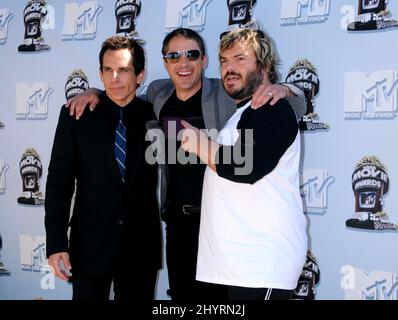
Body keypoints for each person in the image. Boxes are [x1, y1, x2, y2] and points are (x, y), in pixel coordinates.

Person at [66, 28, 306, 301]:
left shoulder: (228, 92)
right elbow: (122, 93)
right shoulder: (158, 95)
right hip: (181, 224)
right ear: (165, 62)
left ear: (203, 60)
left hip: (229, 234)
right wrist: (95, 91)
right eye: (173, 55)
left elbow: (287, 110)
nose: (183, 62)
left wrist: (285, 89)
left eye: (191, 54)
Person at [181, 28, 308, 300]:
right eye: (224, 61)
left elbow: (245, 166)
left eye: (240, 59)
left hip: (262, 264)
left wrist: (201, 144)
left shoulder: (272, 106)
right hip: (240, 266)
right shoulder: (242, 112)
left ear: (265, 66)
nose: (229, 68)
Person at [44, 36, 161, 301]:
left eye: (123, 70)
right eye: (108, 70)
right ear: (99, 73)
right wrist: (56, 243)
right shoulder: (75, 115)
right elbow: (59, 183)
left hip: (140, 247)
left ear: (140, 75)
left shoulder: (155, 114)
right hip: (89, 246)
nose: (114, 78)